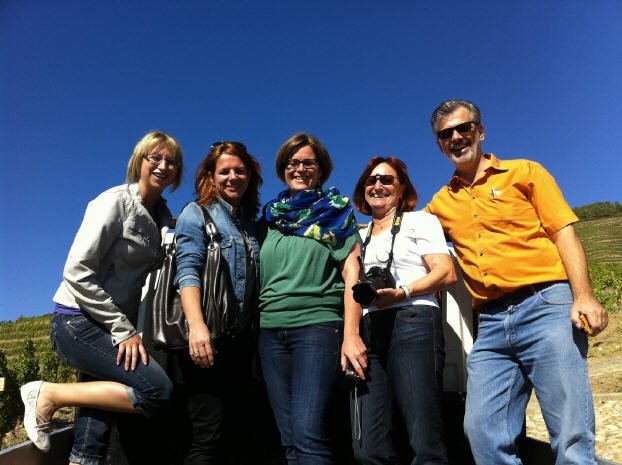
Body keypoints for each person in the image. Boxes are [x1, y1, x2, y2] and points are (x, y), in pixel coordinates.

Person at [424, 99, 608, 465]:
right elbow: (409, 233)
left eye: (464, 128)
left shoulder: (525, 171)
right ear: (440, 144)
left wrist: (584, 296)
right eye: (446, 134)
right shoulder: (441, 203)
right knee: (480, 429)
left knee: (570, 431)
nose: (456, 137)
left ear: (480, 131)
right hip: (491, 323)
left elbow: (563, 232)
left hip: (547, 305)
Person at [20, 130, 183, 464]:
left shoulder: (162, 219)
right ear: (139, 161)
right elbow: (77, 270)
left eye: (171, 161)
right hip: (78, 321)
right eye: (155, 157)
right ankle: (48, 394)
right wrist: (123, 329)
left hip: (107, 328)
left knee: (96, 424)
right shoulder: (114, 202)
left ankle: (82, 460)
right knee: (157, 391)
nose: (163, 166)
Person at [258, 133, 366, 465]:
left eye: (308, 163)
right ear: (283, 169)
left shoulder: (335, 212)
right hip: (269, 334)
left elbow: (353, 274)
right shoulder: (271, 218)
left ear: (321, 170)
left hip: (317, 329)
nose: (300, 169)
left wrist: (351, 334)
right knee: (289, 439)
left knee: (308, 434)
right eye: (293, 163)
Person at [349, 156, 456, 465]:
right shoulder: (358, 236)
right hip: (370, 329)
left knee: (424, 438)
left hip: (413, 320)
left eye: (386, 180)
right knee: (367, 447)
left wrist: (403, 292)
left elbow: (446, 272)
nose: (377, 185)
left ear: (402, 188)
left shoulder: (419, 221)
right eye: (371, 180)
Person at [172, 141, 262, 464]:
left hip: (240, 343)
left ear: (250, 176)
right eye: (224, 171)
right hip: (207, 340)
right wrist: (197, 327)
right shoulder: (196, 213)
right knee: (206, 434)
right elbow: (187, 271)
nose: (233, 177)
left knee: (235, 433)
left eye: (240, 171)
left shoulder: (250, 224)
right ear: (211, 177)